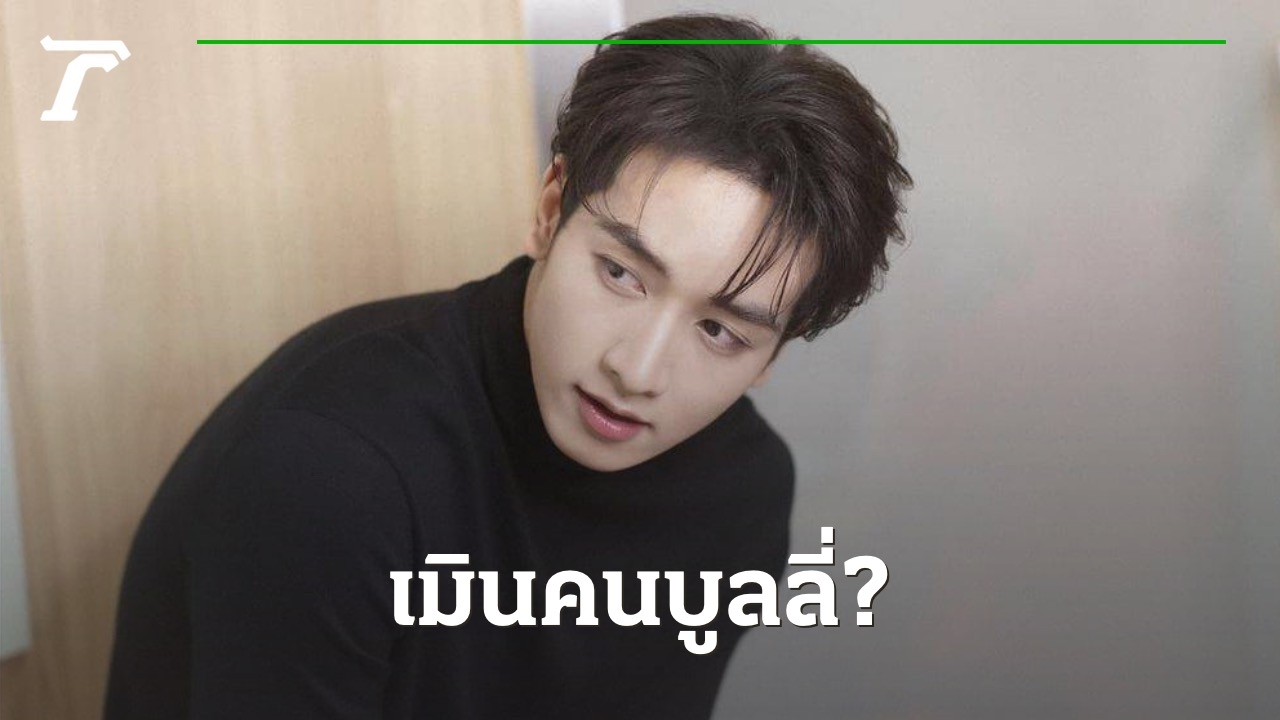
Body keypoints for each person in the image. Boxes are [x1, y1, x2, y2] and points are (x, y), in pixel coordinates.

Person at [103, 12, 912, 719]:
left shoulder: (740, 493)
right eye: (621, 273)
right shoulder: (331, 470)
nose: (637, 371)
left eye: (720, 331)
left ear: (774, 355)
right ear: (551, 209)